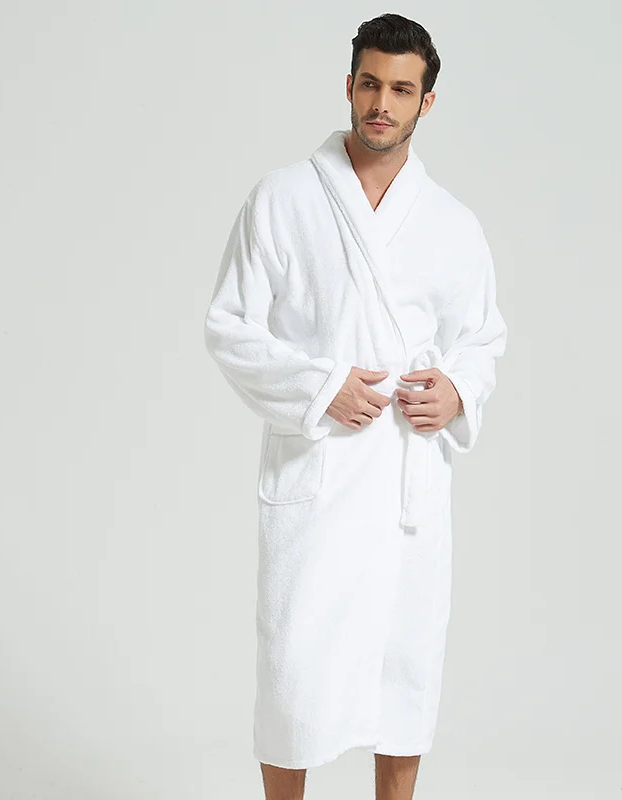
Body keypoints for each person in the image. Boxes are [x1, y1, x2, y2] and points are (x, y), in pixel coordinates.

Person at [203, 13, 507, 800]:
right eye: (370, 83)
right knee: (294, 678)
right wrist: (319, 386)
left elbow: (483, 338)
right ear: (348, 85)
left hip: (408, 483)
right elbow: (229, 326)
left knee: (403, 676)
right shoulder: (282, 198)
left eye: (401, 90)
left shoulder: (453, 224)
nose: (381, 103)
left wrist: (458, 390)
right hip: (319, 473)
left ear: (426, 103)